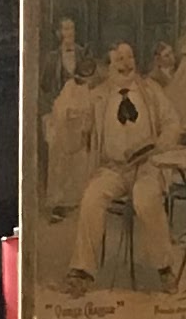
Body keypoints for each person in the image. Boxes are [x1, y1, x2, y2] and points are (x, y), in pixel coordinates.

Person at [70, 41, 178, 286]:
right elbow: (82, 135)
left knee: (145, 198)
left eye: (129, 57)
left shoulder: (150, 90)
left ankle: (164, 267)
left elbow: (172, 122)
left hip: (147, 167)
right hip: (112, 169)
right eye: (119, 59)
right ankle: (82, 270)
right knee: (91, 198)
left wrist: (160, 145)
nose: (126, 64)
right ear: (108, 66)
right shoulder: (98, 97)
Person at [41, 14, 100, 213]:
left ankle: (79, 200)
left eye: (72, 29)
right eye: (65, 29)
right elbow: (45, 87)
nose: (69, 33)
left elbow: (91, 79)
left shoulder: (83, 53)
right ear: (59, 33)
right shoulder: (52, 58)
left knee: (80, 158)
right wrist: (56, 107)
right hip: (60, 115)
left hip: (81, 112)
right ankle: (59, 202)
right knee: (60, 159)